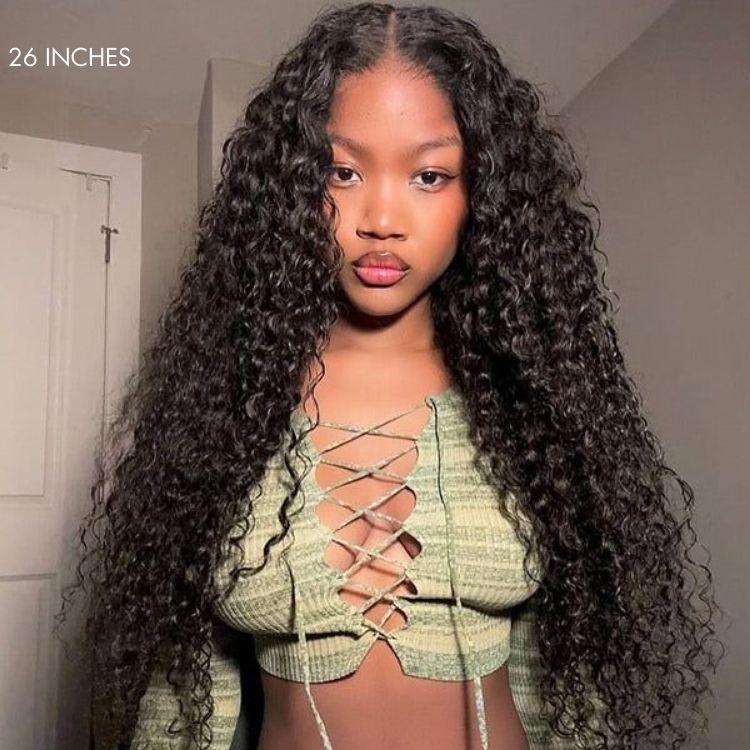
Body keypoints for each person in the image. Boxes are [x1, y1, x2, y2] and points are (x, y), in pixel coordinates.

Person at [56, 3, 725, 749]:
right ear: (293, 186)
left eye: (429, 175)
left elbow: (563, 684)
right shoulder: (226, 406)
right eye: (342, 171)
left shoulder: (527, 400)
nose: (381, 217)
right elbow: (181, 692)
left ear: (480, 194)